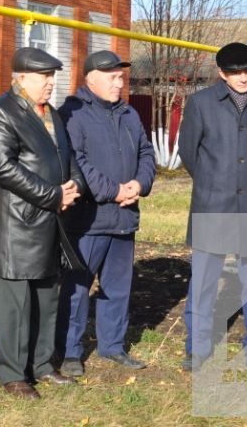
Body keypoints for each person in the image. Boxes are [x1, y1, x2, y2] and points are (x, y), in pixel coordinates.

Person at [0, 47, 85, 400]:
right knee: (14, 304)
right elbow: (6, 170)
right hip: (18, 225)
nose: (51, 83)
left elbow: (66, 158)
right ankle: (12, 372)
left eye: (53, 76)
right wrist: (55, 195)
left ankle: (41, 365)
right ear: (21, 77)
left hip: (50, 222)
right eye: (44, 77)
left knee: (46, 297)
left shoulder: (51, 114)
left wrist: (74, 186)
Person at [178, 42, 247, 376]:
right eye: (236, 72)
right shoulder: (200, 104)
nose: (244, 78)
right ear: (221, 73)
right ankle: (196, 348)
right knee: (205, 280)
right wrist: (216, 182)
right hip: (212, 204)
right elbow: (189, 152)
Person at [55, 50, 156, 377]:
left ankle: (113, 346)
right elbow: (76, 163)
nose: (119, 82)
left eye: (121, 76)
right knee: (77, 287)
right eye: (112, 77)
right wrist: (113, 191)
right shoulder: (72, 114)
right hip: (88, 220)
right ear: (91, 79)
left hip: (125, 218)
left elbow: (146, 152)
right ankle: (69, 351)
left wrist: (139, 185)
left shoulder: (128, 114)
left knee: (118, 287)